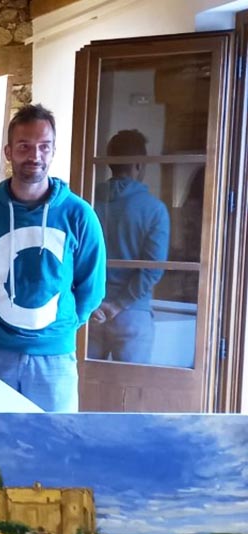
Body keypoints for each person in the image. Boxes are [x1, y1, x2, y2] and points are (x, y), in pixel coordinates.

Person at [0, 103, 105, 412]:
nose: (35, 156)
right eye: (25, 146)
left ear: (53, 151)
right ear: (9, 151)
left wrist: (58, 327)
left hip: (54, 358)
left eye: (44, 147)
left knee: (54, 447)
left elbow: (92, 287)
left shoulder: (79, 214)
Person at [88, 129, 170, 364]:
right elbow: (152, 268)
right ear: (139, 164)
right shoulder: (154, 209)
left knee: (87, 388)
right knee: (132, 393)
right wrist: (117, 306)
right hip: (133, 313)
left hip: (92, 311)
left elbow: (75, 258)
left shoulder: (87, 203)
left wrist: (95, 304)